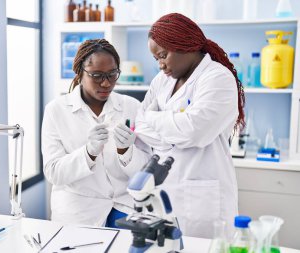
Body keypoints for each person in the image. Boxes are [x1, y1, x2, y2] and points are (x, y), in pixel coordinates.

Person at [135, 13, 245, 238]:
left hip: (203, 196)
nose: (161, 65)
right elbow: (139, 123)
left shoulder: (218, 78)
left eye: (163, 55)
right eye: (156, 59)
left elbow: (195, 132)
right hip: (164, 192)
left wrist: (155, 118)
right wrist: (175, 127)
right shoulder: (162, 81)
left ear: (184, 44)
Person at [42, 39, 150, 227]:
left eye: (112, 74)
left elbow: (147, 170)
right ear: (79, 73)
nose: (106, 83)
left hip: (124, 205)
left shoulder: (131, 106)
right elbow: (54, 173)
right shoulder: (56, 110)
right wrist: (88, 152)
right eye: (97, 75)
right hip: (79, 209)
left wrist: (127, 152)